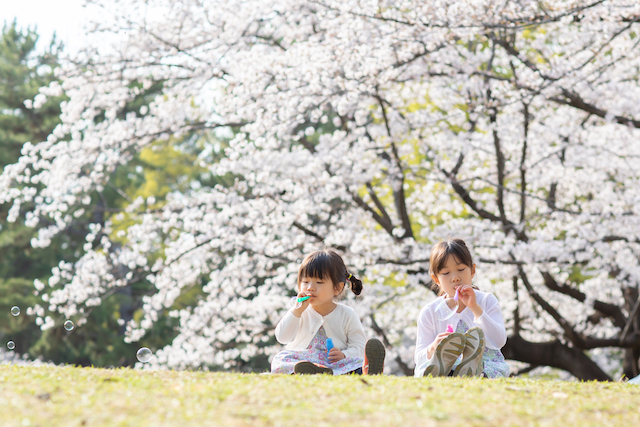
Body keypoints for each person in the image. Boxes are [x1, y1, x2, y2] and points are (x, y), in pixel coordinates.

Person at [271, 249, 385, 375]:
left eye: (319, 282)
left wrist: (344, 355)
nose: (310, 287)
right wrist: (296, 312)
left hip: (336, 363)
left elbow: (359, 346)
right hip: (304, 360)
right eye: (305, 282)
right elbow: (282, 337)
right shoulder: (298, 310)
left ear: (337, 288)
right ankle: (312, 370)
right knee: (281, 359)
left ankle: (367, 369)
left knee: (356, 363)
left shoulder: (347, 314)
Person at [414, 238, 510, 378]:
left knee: (483, 370)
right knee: (434, 367)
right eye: (446, 273)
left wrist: (475, 308)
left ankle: (471, 366)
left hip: (485, 363)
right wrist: (434, 346)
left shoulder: (486, 301)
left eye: (460, 269)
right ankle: (448, 368)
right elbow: (419, 357)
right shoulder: (430, 312)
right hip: (443, 367)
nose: (455, 278)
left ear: (472, 271)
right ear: (436, 279)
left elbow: (499, 341)